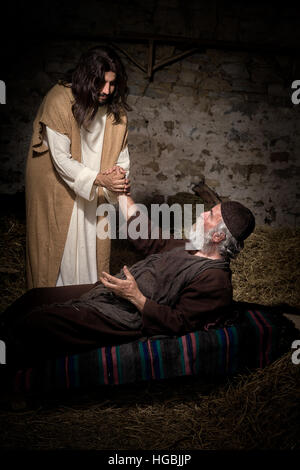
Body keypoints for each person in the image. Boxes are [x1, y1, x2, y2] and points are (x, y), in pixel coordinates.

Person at [1, 190, 255, 369]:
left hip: (124, 315)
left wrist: (136, 297)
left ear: (219, 237)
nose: (201, 215)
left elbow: (180, 324)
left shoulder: (215, 281)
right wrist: (122, 192)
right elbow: (150, 238)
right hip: (110, 293)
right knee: (34, 298)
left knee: (38, 323)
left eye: (210, 215)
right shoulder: (191, 246)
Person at [25, 46, 131, 289]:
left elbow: (122, 156)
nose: (107, 91)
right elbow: (60, 160)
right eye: (101, 83)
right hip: (62, 187)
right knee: (59, 247)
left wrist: (118, 177)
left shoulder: (117, 112)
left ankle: (86, 299)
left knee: (94, 247)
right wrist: (99, 179)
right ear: (86, 78)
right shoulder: (59, 99)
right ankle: (54, 303)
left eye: (113, 84)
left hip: (95, 194)